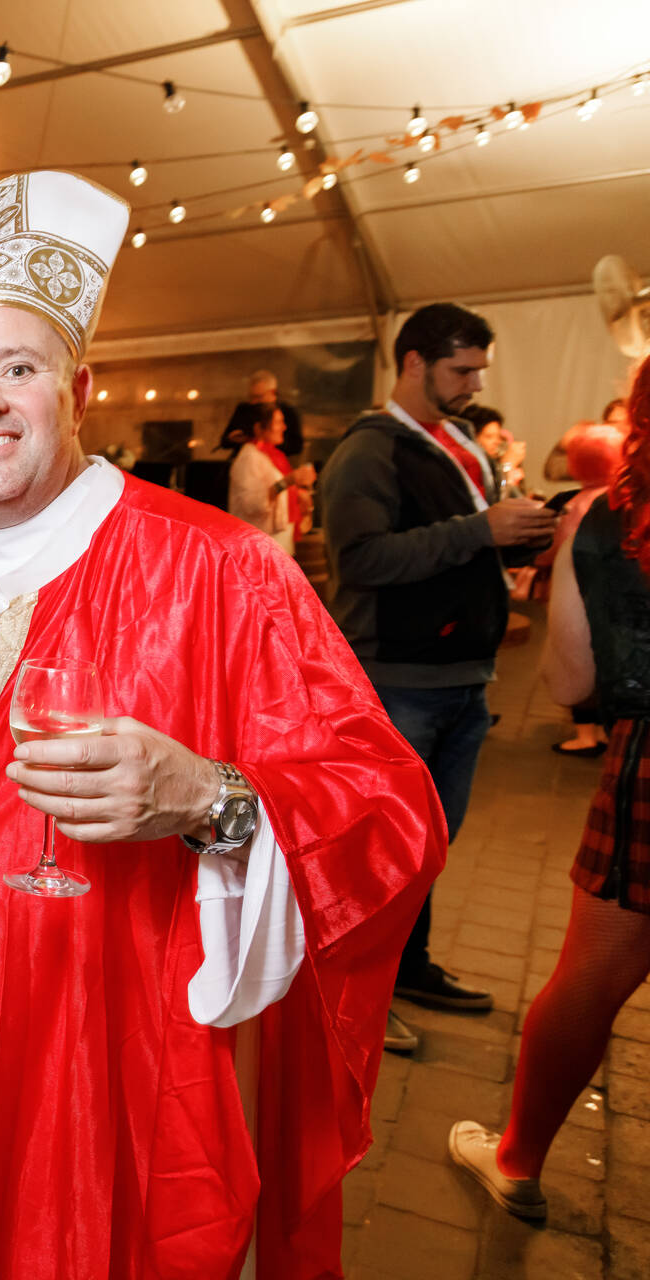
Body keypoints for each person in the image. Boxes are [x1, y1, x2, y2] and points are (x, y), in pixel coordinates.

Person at [0, 170, 444, 1279]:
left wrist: (213, 799)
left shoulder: (220, 568)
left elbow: (389, 805)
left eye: (17, 369)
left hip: (94, 1082)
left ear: (78, 386)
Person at [316, 303, 558, 1055]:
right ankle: (354, 993)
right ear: (414, 361)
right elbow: (361, 561)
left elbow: (460, 549)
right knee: (380, 854)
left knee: (426, 848)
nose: (475, 383)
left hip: (462, 676)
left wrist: (522, 539)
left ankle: (407, 969)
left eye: (479, 369)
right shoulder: (369, 451)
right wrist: (481, 530)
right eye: (462, 369)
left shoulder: (460, 442)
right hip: (398, 679)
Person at [449, 359, 650, 1219]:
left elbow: (570, 682)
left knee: (590, 978)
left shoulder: (609, 518)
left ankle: (518, 1159)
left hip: (647, 763)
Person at [539, 422, 627, 756]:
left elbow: (557, 549)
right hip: (614, 600)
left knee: (574, 659)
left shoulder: (577, 504)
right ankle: (604, 729)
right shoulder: (620, 502)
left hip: (577, 595)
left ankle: (585, 734)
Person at [227, 403, 315, 554]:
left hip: (274, 541)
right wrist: (288, 481)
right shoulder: (249, 458)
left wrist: (298, 493)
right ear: (259, 428)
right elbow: (252, 504)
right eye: (278, 422)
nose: (284, 427)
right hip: (259, 546)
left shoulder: (269, 455)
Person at [221, 368, 303, 455]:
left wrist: (266, 441)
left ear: (273, 392)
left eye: (259, 397)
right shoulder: (244, 409)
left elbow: (296, 446)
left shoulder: (288, 412)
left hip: (273, 459)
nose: (254, 402)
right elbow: (224, 442)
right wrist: (233, 439)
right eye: (251, 397)